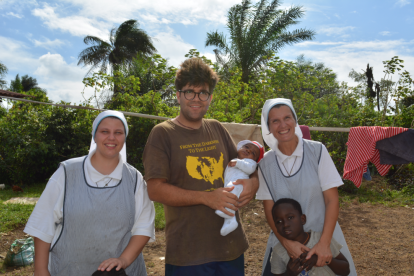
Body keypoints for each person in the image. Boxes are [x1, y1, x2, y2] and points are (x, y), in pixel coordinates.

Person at [142, 58, 259, 276]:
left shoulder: (216, 128)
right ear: (178, 95)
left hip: (230, 247)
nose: (196, 99)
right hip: (187, 253)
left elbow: (247, 163)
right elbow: (155, 189)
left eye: (203, 93)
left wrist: (253, 183)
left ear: (210, 98)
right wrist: (207, 197)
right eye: (189, 92)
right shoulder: (162, 133)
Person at [24, 110, 155, 276]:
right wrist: (41, 270)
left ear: (124, 137)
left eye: (118, 132)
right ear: (94, 136)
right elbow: (43, 224)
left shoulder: (134, 178)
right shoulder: (67, 173)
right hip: (70, 269)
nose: (111, 138)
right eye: (104, 131)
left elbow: (143, 227)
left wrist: (123, 260)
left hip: (122, 272)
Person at [256, 98, 357, 276]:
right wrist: (287, 244)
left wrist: (324, 244)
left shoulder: (317, 151)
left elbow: (331, 199)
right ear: (268, 128)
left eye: (287, 118)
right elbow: (269, 209)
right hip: (286, 240)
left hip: (323, 236)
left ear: (295, 120)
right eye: (275, 121)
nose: (282, 125)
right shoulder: (265, 164)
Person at [270, 198, 350, 276]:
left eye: (290, 217)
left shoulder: (321, 239)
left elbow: (346, 270)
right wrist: (289, 274)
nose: (285, 224)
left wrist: (322, 259)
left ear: (302, 219)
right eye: (279, 221)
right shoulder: (278, 251)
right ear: (275, 227)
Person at [216, 140, 264, 236]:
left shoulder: (249, 162)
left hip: (239, 184)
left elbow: (250, 169)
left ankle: (227, 212)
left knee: (229, 195)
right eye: (246, 147)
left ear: (254, 160)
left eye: (253, 153)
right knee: (229, 198)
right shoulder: (235, 159)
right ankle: (230, 222)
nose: (248, 151)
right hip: (232, 184)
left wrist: (238, 163)